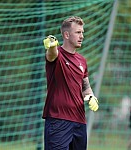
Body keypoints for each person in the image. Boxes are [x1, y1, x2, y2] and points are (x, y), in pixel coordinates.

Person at [42, 16, 99, 150]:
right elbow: (51, 54)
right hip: (58, 120)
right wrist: (51, 45)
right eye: (78, 32)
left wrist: (91, 96)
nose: (82, 36)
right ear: (66, 35)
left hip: (79, 121)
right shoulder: (57, 54)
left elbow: (86, 86)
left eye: (82, 32)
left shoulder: (82, 61)